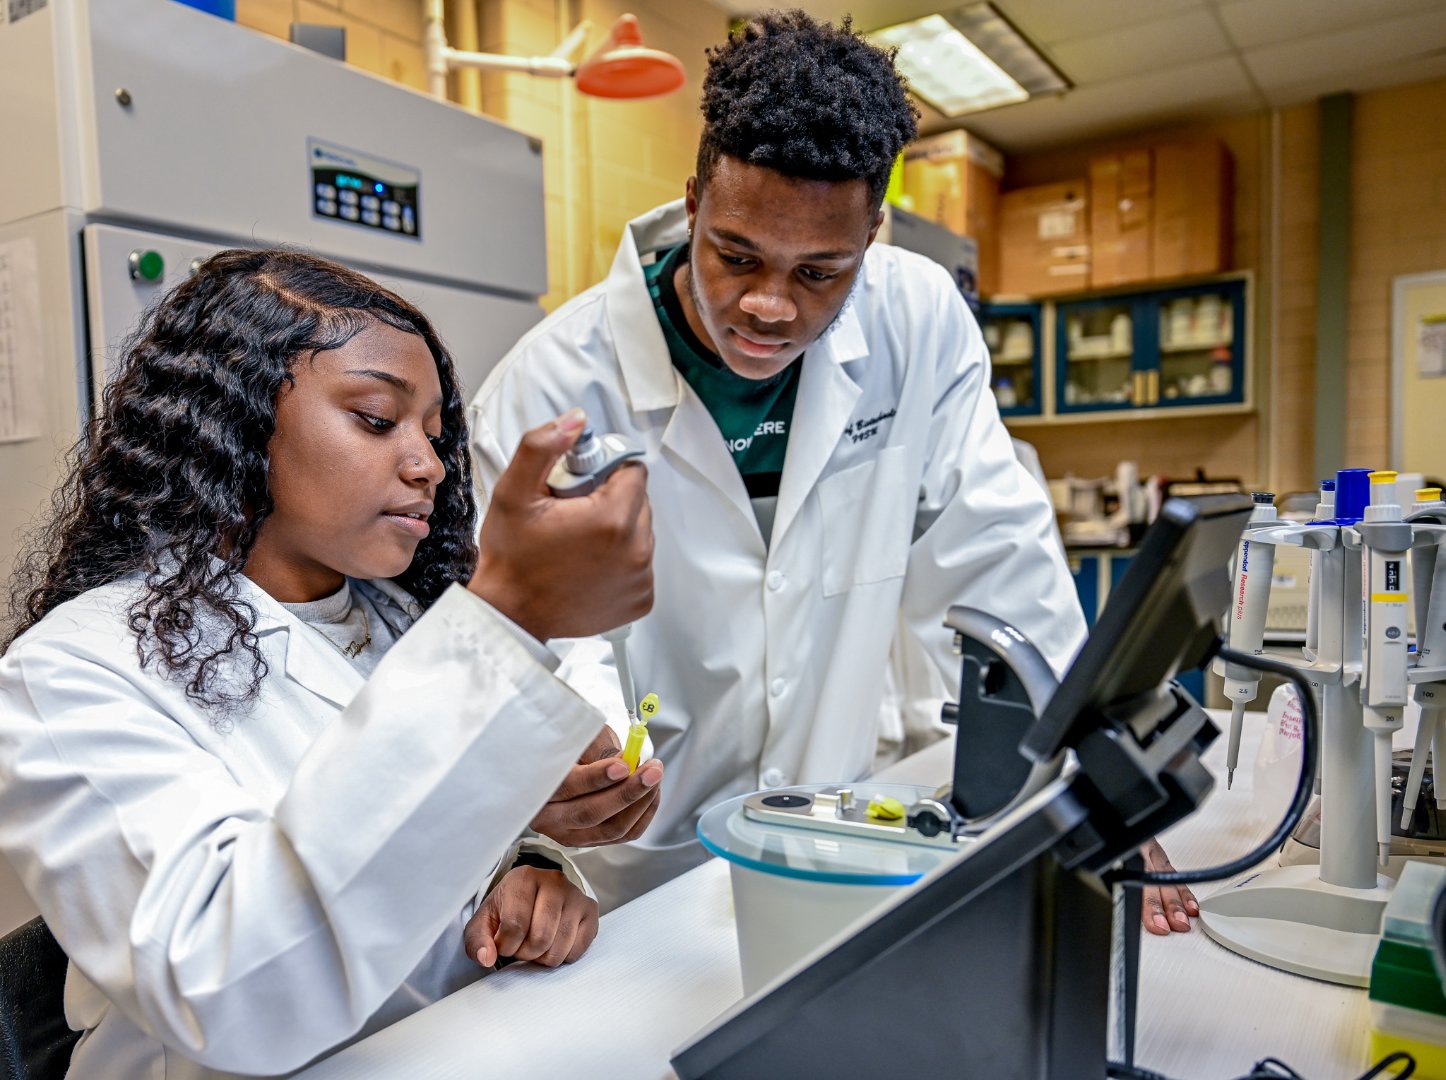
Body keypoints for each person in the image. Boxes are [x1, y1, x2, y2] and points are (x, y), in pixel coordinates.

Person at [469, 11, 1198, 936]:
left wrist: (1093, 779)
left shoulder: (916, 320)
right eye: (737, 256)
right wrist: (548, 802)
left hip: (837, 842)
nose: (769, 306)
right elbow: (511, 643)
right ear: (693, 202)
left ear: (874, 232)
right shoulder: (549, 383)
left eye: (821, 272)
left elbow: (1004, 563)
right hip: (629, 882)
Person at [0, 250, 656, 1079]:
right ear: (234, 421)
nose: (427, 465)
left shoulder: (399, 619)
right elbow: (234, 991)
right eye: (378, 419)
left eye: (434, 435)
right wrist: (509, 616)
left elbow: (412, 852)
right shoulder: (72, 671)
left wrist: (531, 864)